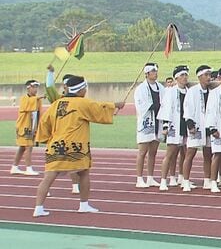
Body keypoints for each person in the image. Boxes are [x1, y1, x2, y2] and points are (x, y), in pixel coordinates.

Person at [32, 76, 125, 217]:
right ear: (81, 90)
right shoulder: (82, 103)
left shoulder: (56, 104)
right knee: (84, 173)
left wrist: (45, 139)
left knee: (48, 177)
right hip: (76, 146)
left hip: (56, 145)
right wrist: (116, 105)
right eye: (85, 88)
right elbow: (99, 108)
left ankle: (38, 208)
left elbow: (44, 123)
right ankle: (84, 204)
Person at [181, 65, 213, 192]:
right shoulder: (193, 91)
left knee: (208, 153)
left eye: (210, 75)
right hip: (196, 125)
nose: (209, 77)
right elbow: (187, 108)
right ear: (199, 77)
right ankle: (186, 180)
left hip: (208, 126)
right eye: (206, 75)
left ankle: (207, 180)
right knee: (190, 153)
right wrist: (190, 124)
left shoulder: (211, 91)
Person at [158, 65, 189, 191]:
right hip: (174, 125)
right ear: (176, 77)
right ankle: (164, 180)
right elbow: (166, 108)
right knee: (170, 154)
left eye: (186, 75)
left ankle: (182, 177)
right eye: (182, 75)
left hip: (185, 125)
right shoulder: (170, 91)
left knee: (185, 153)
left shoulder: (188, 91)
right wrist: (165, 126)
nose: (185, 77)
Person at [133, 63, 164, 188]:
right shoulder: (140, 89)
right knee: (142, 151)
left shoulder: (160, 87)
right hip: (146, 123)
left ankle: (150, 177)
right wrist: (153, 106)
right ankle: (139, 178)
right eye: (152, 71)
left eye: (156, 71)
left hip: (158, 121)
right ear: (147, 74)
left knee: (153, 151)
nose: (155, 73)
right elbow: (141, 106)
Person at [11, 79, 45, 176]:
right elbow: (28, 106)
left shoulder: (36, 99)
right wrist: (39, 98)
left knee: (22, 147)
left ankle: (14, 167)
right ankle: (28, 168)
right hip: (24, 126)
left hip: (31, 126)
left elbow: (38, 112)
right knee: (28, 147)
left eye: (37, 87)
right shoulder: (25, 98)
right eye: (34, 87)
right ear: (28, 88)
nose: (36, 89)